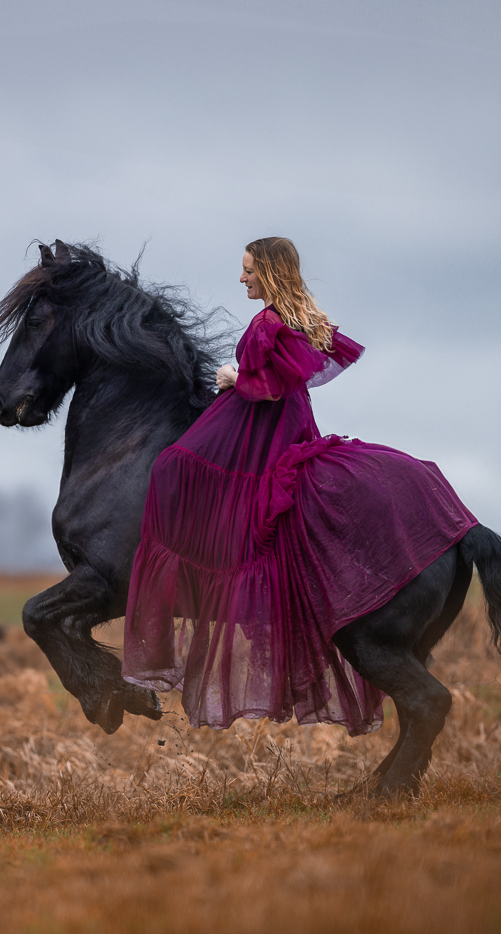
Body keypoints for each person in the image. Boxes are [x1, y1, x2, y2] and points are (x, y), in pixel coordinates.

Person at [122, 237, 477, 735]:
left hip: (262, 429)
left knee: (171, 467)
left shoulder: (267, 322)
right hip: (288, 424)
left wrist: (233, 378)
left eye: (248, 270)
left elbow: (269, 388)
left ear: (269, 271)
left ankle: (185, 579)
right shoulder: (296, 316)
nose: (241, 278)